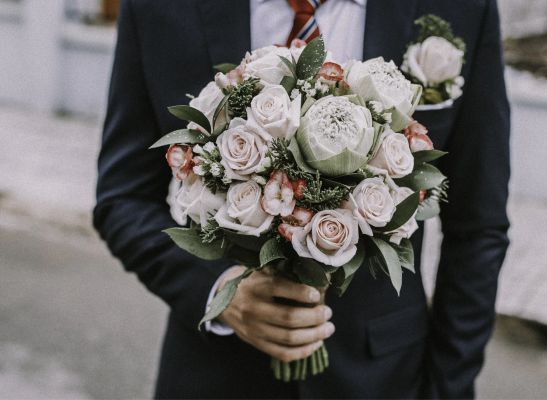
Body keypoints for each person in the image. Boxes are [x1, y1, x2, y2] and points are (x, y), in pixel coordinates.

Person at [94, 0, 510, 398]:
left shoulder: (462, 8)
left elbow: (478, 229)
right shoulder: (159, 8)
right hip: (215, 374)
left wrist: (449, 391)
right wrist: (218, 293)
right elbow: (122, 198)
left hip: (381, 377)